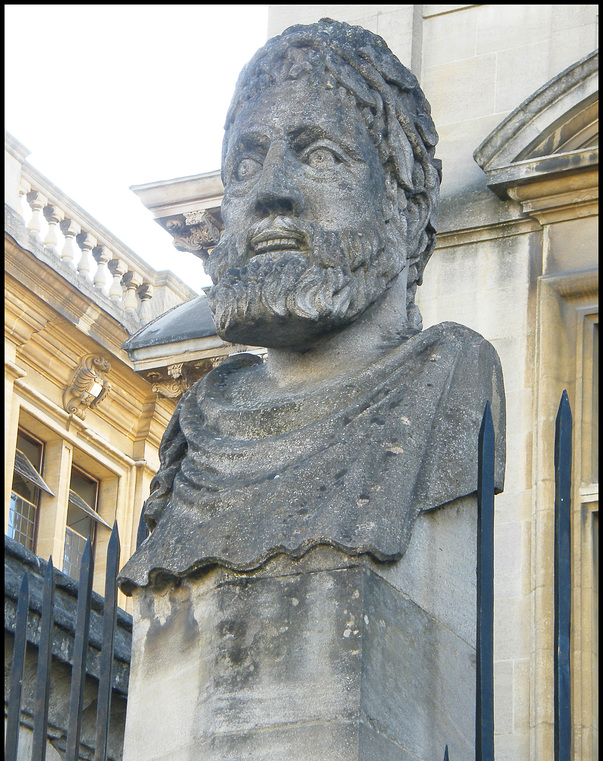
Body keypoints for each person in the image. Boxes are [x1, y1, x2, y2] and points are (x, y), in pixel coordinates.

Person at [118, 19, 504, 594]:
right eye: (246, 165)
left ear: (408, 204)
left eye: (320, 155)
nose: (272, 190)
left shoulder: (450, 375)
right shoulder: (198, 420)